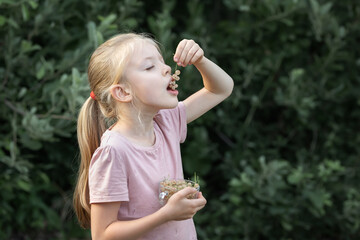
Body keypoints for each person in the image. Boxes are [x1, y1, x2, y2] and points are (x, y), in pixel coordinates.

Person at [73, 33, 233, 240]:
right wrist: (166, 214)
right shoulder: (114, 152)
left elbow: (221, 89)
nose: (166, 68)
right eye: (150, 67)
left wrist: (200, 60)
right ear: (122, 92)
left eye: (162, 62)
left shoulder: (166, 121)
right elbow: (102, 235)